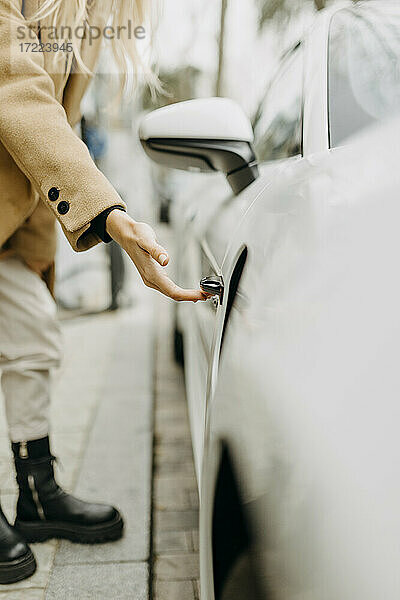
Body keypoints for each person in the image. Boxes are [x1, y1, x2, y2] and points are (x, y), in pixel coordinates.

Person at [0, 0, 206, 584]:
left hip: (13, 217)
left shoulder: (90, 11)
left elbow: (53, 132)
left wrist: (38, 247)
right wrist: (111, 216)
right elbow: (14, 87)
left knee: (33, 335)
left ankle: (36, 496)